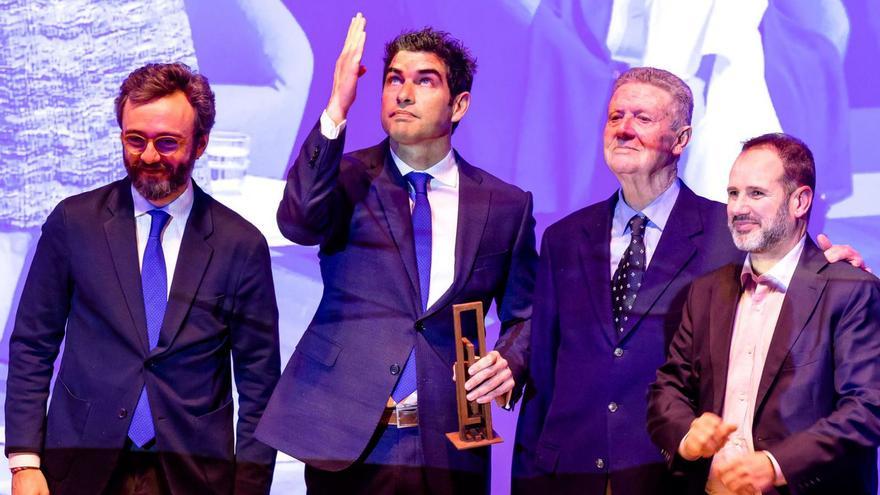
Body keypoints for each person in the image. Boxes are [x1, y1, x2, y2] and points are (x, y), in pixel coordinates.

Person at [512, 67, 865, 494]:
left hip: (672, 474)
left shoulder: (733, 232)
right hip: (570, 472)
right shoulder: (563, 238)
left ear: (681, 139)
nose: (623, 129)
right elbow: (546, 370)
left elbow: (796, 279)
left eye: (642, 118)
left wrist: (831, 271)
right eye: (615, 117)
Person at [255, 14, 537, 495]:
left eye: (424, 81)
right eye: (393, 80)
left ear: (459, 104)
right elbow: (297, 222)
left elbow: (527, 314)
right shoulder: (346, 177)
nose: (403, 93)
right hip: (347, 439)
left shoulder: (505, 204)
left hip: (450, 440)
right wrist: (335, 110)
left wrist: (510, 359)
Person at [4, 62, 281, 495]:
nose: (149, 156)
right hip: (79, 465)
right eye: (135, 140)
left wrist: (248, 487)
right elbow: (32, 344)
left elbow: (259, 383)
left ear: (201, 144)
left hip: (193, 474)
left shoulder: (240, 245)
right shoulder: (73, 223)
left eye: (167, 142)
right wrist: (23, 462)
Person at [647, 133, 880, 494]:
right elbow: (669, 388)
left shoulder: (849, 289)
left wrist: (776, 465)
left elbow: (867, 409)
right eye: (733, 193)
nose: (738, 207)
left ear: (800, 201)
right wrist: (686, 434)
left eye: (756, 193)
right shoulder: (706, 291)